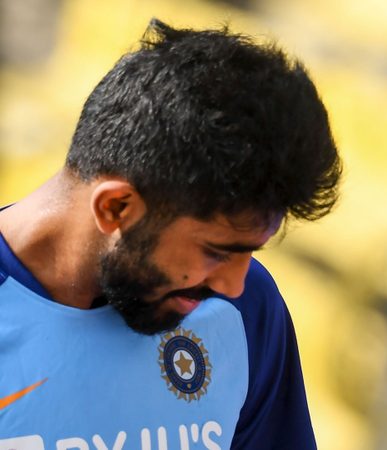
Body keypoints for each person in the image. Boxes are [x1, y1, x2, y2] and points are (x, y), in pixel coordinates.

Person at [0, 19, 340, 449]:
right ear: (116, 207)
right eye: (216, 251)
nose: (234, 286)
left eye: (251, 251)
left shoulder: (248, 308)